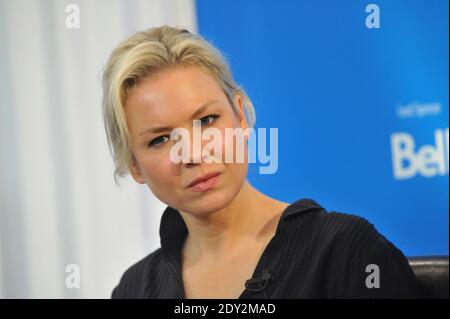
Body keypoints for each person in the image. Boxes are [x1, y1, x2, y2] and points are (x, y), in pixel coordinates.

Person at [102, 25, 420, 299]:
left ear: (241, 115)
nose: (194, 152)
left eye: (207, 120)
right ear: (133, 165)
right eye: (160, 139)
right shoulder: (135, 289)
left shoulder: (346, 252)